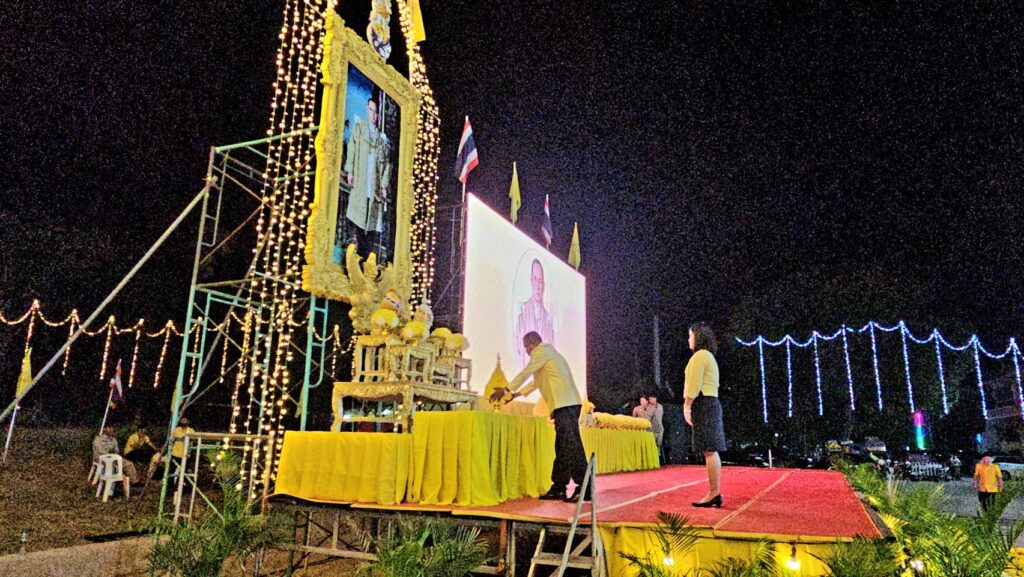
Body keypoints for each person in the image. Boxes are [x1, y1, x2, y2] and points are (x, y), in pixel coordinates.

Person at [490, 331, 588, 502]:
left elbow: (525, 373)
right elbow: (535, 382)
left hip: (566, 404)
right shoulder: (547, 355)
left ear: (531, 343)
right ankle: (559, 487)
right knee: (562, 448)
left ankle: (585, 487)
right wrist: (515, 395)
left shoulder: (542, 351)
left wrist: (506, 390)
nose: (526, 351)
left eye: (526, 347)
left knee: (571, 446)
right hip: (564, 405)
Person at [684, 322, 727, 508]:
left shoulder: (700, 356)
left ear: (698, 336)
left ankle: (713, 493)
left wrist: (687, 406)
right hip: (711, 402)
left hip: (704, 403)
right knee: (710, 450)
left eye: (690, 335)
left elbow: (693, 385)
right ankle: (714, 492)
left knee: (709, 450)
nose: (689, 339)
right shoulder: (708, 356)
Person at [344, 96, 392, 258]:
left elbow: (387, 164)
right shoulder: (359, 128)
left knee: (371, 221)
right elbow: (352, 149)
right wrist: (350, 171)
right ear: (367, 109)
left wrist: (384, 183)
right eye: (371, 110)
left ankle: (365, 255)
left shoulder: (381, 138)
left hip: (374, 185)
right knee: (357, 215)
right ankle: (355, 251)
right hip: (361, 178)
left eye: (376, 112)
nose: (373, 114)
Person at [516, 259, 555, 367]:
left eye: (540, 281)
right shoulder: (522, 314)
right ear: (530, 280)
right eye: (535, 280)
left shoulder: (548, 321)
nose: (538, 286)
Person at [646, 394, 665, 462]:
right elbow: (648, 418)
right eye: (649, 399)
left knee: (658, 445)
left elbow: (660, 417)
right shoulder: (648, 407)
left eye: (651, 399)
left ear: (655, 398)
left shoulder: (660, 406)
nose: (650, 400)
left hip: (659, 429)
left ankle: (658, 459)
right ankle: (652, 460)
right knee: (651, 445)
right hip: (651, 430)